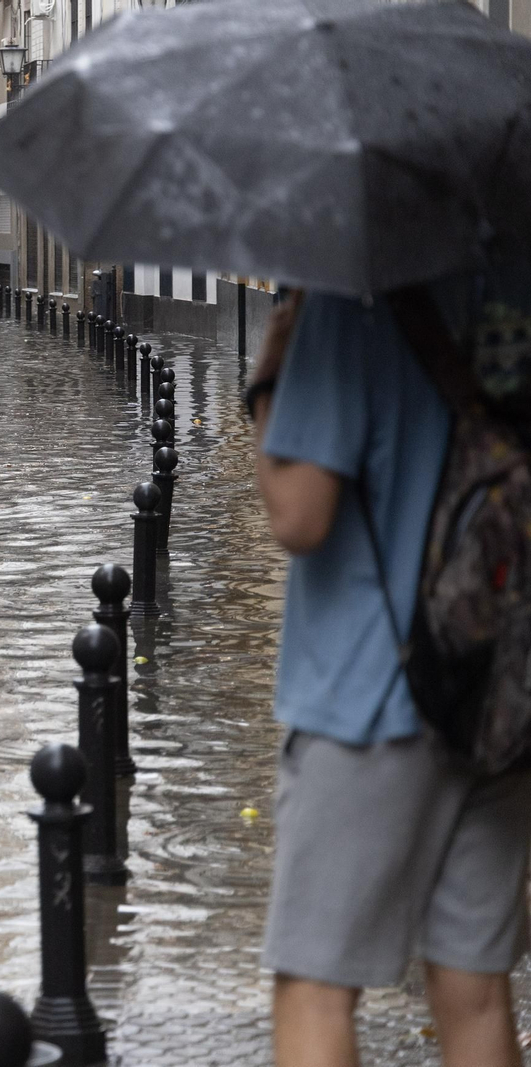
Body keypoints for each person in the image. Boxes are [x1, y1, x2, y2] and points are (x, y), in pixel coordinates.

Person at [251, 282, 531, 1067]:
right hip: (502, 692)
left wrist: (272, 376)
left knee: (315, 990)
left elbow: (297, 513)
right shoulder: (512, 265)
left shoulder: (352, 295)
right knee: (475, 991)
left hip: (372, 698)